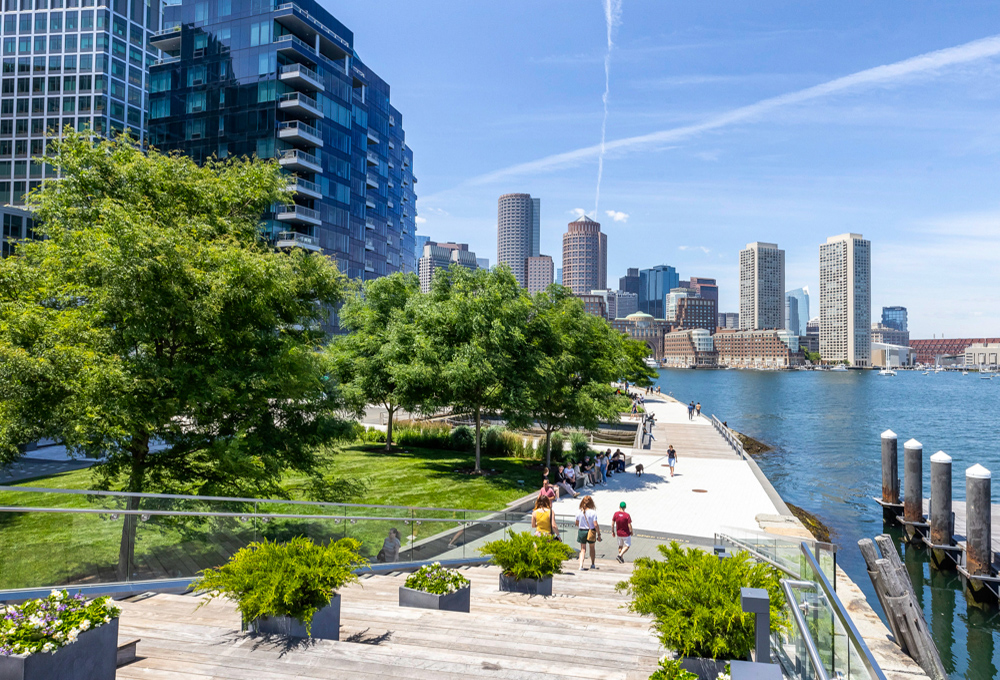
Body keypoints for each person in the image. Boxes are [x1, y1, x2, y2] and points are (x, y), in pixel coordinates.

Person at [575, 495, 601, 571]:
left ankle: (581, 565)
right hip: (591, 531)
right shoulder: (593, 513)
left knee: (582, 549)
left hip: (581, 531)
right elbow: (595, 524)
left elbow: (576, 523)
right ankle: (592, 564)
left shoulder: (578, 512)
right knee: (592, 548)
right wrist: (598, 534)